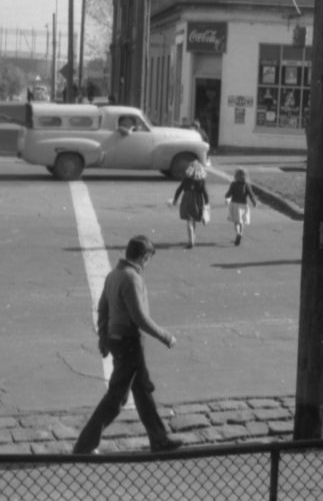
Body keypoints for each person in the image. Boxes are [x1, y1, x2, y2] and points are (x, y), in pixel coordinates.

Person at [72, 235, 183, 454]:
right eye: (149, 259)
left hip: (117, 341)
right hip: (129, 343)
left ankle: (159, 440)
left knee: (143, 393)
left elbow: (102, 310)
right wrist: (165, 336)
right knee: (116, 398)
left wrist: (103, 339)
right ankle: (85, 444)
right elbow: (139, 317)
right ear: (144, 257)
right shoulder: (132, 278)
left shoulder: (113, 275)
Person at [171, 159, 209, 248]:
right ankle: (193, 237)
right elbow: (205, 193)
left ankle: (191, 240)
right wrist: (207, 203)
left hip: (187, 199)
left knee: (189, 220)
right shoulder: (201, 181)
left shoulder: (187, 179)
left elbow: (179, 189)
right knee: (194, 219)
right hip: (197, 200)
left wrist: (175, 199)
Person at [224, 168, 257, 246]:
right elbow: (251, 194)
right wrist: (254, 202)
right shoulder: (247, 184)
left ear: (236, 176)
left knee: (236, 221)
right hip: (243, 205)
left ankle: (238, 233)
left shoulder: (233, 184)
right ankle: (241, 234)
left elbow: (228, 194)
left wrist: (227, 196)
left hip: (234, 204)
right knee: (241, 221)